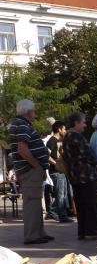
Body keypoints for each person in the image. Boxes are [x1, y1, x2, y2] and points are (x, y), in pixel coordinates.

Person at [7, 99, 54, 244]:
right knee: (32, 203)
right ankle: (33, 235)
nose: (35, 113)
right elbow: (22, 149)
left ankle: (39, 232)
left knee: (35, 202)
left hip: (28, 170)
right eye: (33, 110)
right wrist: (36, 165)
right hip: (30, 170)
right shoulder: (21, 124)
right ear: (28, 112)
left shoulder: (20, 123)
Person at [63, 112, 97, 240]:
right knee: (91, 203)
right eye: (83, 122)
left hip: (75, 176)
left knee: (80, 204)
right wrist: (96, 164)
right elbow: (87, 154)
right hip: (86, 175)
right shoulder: (76, 136)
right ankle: (91, 232)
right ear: (76, 123)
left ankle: (83, 231)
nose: (85, 125)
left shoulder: (66, 137)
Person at [46, 120, 72, 223]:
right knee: (60, 195)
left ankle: (55, 212)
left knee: (64, 194)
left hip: (63, 171)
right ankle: (59, 214)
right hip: (56, 172)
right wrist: (56, 164)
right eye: (64, 129)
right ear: (59, 129)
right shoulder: (51, 141)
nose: (65, 131)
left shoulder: (62, 140)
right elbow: (46, 155)